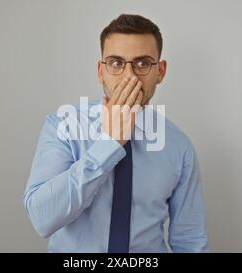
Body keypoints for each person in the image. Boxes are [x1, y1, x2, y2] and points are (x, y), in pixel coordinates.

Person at [23, 14, 209, 253]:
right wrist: (109, 144)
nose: (129, 76)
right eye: (116, 63)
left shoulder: (178, 146)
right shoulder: (63, 126)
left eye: (142, 63)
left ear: (160, 71)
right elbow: (42, 218)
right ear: (101, 71)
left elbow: (190, 241)